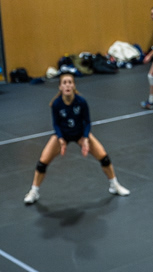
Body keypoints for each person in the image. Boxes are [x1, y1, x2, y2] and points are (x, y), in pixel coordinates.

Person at [24, 73, 130, 205]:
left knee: (104, 157)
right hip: (63, 134)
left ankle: (114, 185)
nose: (67, 85)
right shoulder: (56, 104)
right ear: (60, 87)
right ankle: (34, 192)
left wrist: (85, 138)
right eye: (64, 83)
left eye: (70, 82)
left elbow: (87, 122)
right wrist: (61, 139)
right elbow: (56, 124)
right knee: (42, 162)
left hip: (80, 134)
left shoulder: (81, 102)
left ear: (74, 86)